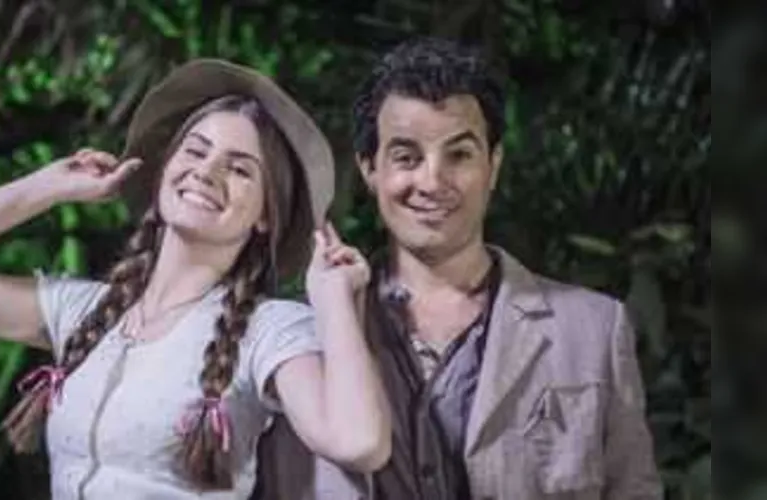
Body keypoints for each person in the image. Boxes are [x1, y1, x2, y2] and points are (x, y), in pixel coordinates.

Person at [0, 59, 390, 498]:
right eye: (196, 151)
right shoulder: (82, 312)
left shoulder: (269, 329)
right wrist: (42, 189)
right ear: (164, 172)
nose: (206, 172)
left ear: (266, 216)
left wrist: (335, 300)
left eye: (239, 168)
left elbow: (359, 443)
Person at [255, 38, 662, 499]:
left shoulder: (593, 330)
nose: (432, 182)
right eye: (406, 157)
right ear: (370, 169)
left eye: (459, 155)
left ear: (494, 164)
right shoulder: (295, 338)